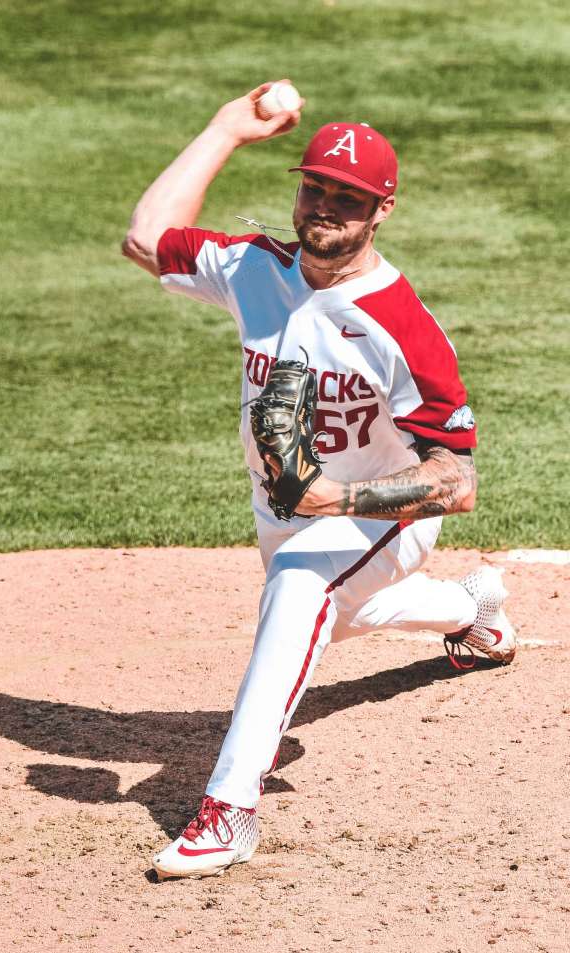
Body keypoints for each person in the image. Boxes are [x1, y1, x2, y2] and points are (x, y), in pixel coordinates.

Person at [122, 82, 516, 881]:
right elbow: (145, 239)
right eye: (316, 188)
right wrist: (227, 129)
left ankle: (230, 811)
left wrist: (338, 500)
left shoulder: (400, 325)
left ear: (382, 211)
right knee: (336, 611)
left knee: (302, 586)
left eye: (349, 198)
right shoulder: (254, 268)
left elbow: (457, 480)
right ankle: (474, 613)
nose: (326, 207)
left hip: (385, 519)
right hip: (286, 516)